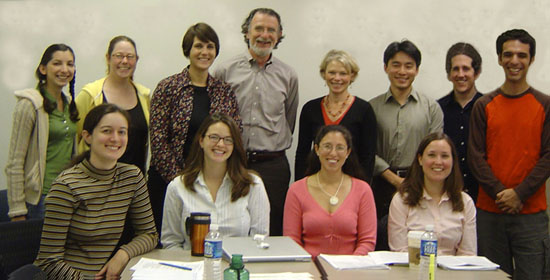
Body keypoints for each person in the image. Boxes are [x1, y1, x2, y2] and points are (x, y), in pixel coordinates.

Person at [34, 104, 158, 279]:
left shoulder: (132, 177)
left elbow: (149, 234)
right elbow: (48, 261)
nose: (115, 138)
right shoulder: (66, 185)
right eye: (107, 131)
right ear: (87, 136)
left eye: (122, 132)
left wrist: (122, 255)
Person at [468, 29, 550, 279]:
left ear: (531, 59)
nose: (515, 61)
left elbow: (548, 156)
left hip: (531, 214)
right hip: (490, 213)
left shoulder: (545, 105)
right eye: (508, 54)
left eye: (522, 55)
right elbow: (475, 156)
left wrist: (519, 194)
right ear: (499, 58)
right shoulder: (484, 105)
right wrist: (502, 195)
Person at [148, 22, 241, 234]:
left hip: (211, 185)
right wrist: (181, 183)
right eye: (198, 46)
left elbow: (235, 135)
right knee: (169, 246)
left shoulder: (224, 91)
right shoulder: (168, 88)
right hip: (167, 182)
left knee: (206, 243)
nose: (204, 52)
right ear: (188, 50)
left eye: (210, 47)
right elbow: (159, 141)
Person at [214, 8, 299, 236]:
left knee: (270, 229)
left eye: (271, 30)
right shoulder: (225, 70)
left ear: (279, 35)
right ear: (247, 32)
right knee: (229, 223)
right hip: (232, 162)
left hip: (273, 166)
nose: (265, 34)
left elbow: (288, 119)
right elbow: (214, 119)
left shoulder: (288, 76)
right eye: (259, 28)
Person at [369, 40, 443, 250]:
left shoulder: (431, 108)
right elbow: (366, 150)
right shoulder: (371, 108)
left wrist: (413, 180)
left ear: (417, 70)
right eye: (396, 64)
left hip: (420, 184)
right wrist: (393, 178)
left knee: (414, 244)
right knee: (381, 242)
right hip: (380, 185)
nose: (402, 71)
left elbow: (435, 150)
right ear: (386, 67)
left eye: (408, 65)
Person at [161, 113, 270, 249]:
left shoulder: (253, 185)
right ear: (201, 141)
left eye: (228, 140)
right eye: (214, 137)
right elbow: (171, 243)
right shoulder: (178, 187)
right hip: (192, 267)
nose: (220, 144)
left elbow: (259, 240)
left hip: (237, 267)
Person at [5, 44, 79, 221]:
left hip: (67, 196)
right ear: (43, 69)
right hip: (40, 200)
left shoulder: (69, 103)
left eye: (70, 64)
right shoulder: (29, 105)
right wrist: (17, 210)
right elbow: (15, 163)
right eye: (57, 63)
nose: (64, 69)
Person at [283, 125, 377, 257]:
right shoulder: (296, 190)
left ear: (348, 152)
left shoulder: (363, 190)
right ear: (316, 149)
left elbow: (367, 241)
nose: (333, 153)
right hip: (309, 271)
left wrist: (350, 267)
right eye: (327, 146)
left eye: (340, 148)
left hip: (351, 270)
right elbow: (292, 241)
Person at [388, 132, 476, 256]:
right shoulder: (401, 200)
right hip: (413, 271)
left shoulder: (466, 202)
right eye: (432, 155)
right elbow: (399, 252)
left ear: (452, 161)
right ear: (420, 159)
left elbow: (468, 254)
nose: (438, 162)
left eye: (445, 156)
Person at [295, 50, 376, 183]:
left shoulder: (364, 110)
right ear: (324, 74)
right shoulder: (310, 109)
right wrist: (300, 186)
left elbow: (368, 157)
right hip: (315, 183)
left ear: (352, 76)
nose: (337, 78)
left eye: (343, 73)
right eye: (332, 72)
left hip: (351, 184)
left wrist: (363, 189)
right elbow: (302, 154)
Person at [76, 35, 150, 174]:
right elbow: (76, 137)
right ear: (108, 58)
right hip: (95, 181)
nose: (124, 61)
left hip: (133, 183)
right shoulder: (90, 94)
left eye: (130, 56)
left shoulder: (144, 95)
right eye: (119, 56)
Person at [438, 43, 483, 203]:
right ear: (449, 74)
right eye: (455, 69)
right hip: (447, 195)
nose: (460, 74)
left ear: (476, 72)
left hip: (483, 196)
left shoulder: (489, 108)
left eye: (466, 69)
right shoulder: (437, 109)